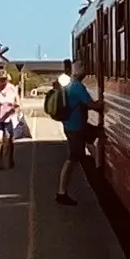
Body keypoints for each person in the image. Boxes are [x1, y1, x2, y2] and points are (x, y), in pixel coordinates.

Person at [50, 67, 96, 202]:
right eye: (83, 69)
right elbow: (92, 104)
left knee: (88, 145)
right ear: (80, 73)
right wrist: (102, 105)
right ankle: (61, 193)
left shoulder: (70, 86)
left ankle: (99, 170)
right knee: (73, 158)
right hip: (75, 127)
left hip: (71, 125)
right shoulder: (77, 87)